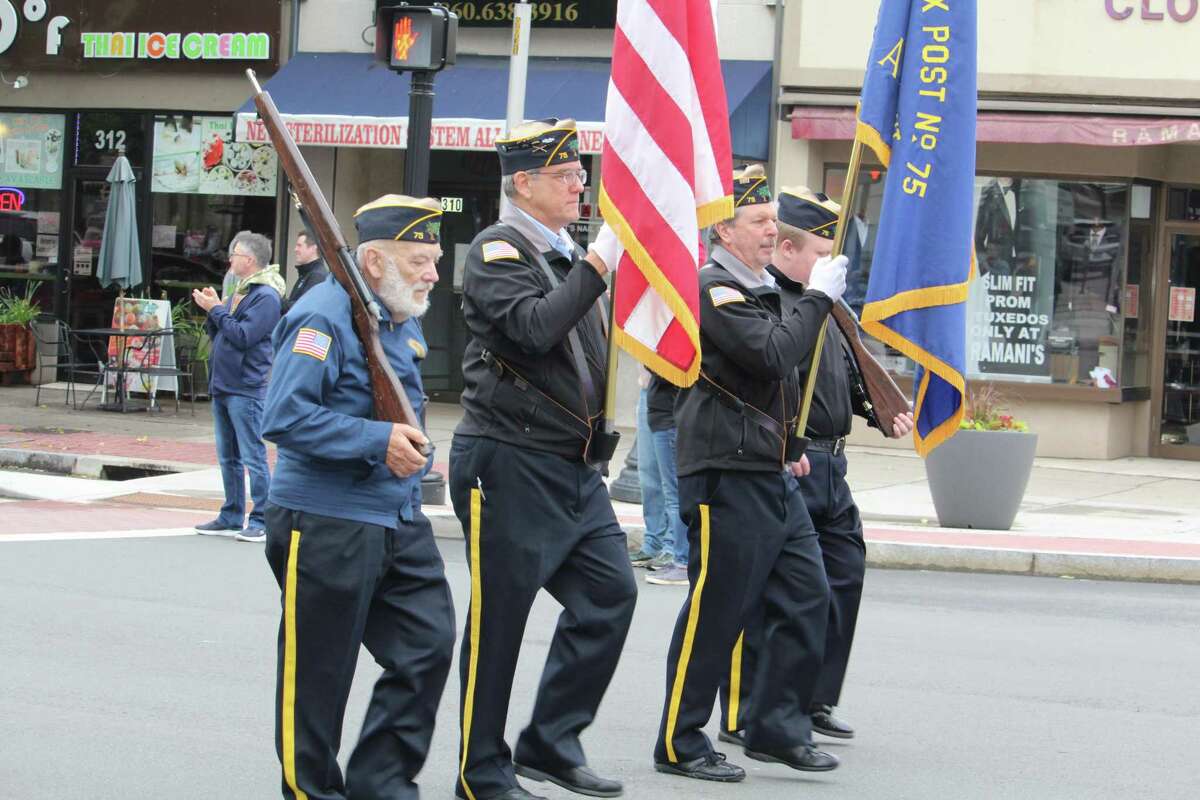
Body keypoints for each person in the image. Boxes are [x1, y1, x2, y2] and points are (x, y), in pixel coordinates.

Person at [449, 118, 636, 800]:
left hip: (573, 468)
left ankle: (551, 742)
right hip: (509, 460)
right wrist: (596, 266)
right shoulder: (499, 250)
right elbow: (532, 329)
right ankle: (481, 769)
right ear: (523, 183)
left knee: (610, 596)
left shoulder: (562, 254)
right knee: (500, 620)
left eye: (580, 174)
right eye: (566, 176)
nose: (579, 185)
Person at [652, 165, 845, 783]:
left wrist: (790, 443)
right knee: (718, 609)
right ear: (724, 231)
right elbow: (771, 355)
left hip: (767, 468)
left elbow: (775, 386)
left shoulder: (757, 286)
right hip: (723, 471)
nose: (771, 230)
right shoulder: (715, 288)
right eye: (758, 221)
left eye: (771, 221)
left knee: (808, 594)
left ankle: (775, 727)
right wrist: (818, 298)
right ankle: (680, 740)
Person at [260, 195, 455, 800]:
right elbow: (283, 416)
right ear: (372, 261)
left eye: (435, 259)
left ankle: (381, 784)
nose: (434, 274)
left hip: (396, 515)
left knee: (428, 644)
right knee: (318, 676)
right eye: (420, 260)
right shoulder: (322, 316)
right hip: (325, 521)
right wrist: (376, 439)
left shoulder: (397, 314)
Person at [718, 187, 915, 750]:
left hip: (831, 462)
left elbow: (837, 379)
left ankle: (810, 697)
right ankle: (742, 705)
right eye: (822, 255)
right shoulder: (771, 302)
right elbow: (764, 377)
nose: (834, 268)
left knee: (840, 582)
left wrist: (876, 409)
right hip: (787, 462)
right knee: (764, 591)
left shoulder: (823, 306)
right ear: (785, 249)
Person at [192, 231, 283, 542]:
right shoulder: (240, 290)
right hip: (224, 384)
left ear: (250, 260)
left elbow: (244, 336)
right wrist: (214, 309)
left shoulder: (266, 296)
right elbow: (222, 330)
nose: (229, 259)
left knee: (252, 455)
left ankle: (261, 518)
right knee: (228, 456)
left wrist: (216, 310)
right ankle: (231, 513)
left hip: (246, 386)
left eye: (234, 254)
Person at [642, 373, 689, 586]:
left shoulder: (675, 346)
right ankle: (677, 555)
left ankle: (682, 560)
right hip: (664, 418)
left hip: (669, 419)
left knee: (675, 495)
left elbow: (670, 371)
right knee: (672, 493)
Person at [627, 368, 676, 572]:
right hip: (649, 387)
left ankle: (672, 545)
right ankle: (653, 542)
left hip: (670, 391)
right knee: (647, 473)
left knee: (670, 482)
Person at [283, 231, 329, 313]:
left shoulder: (317, 276)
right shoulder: (307, 274)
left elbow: (302, 309)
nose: (295, 249)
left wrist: (276, 301)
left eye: (299, 246)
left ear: (313, 248)